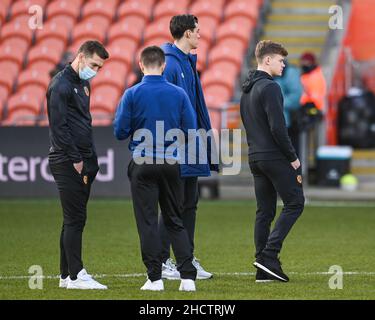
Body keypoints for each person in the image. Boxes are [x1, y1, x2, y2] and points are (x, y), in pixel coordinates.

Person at [114, 46, 198, 291]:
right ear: (163, 66)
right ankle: (188, 279)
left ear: (141, 65)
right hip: (171, 163)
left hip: (143, 163)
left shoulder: (131, 94)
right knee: (174, 219)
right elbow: (191, 130)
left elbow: (119, 131)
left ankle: (155, 279)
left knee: (148, 222)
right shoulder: (179, 94)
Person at [159, 14, 219, 280]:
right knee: (173, 205)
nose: (199, 35)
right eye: (196, 31)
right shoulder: (171, 65)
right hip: (177, 148)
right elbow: (167, 110)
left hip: (192, 145)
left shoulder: (186, 63)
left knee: (189, 204)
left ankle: (186, 259)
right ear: (185, 34)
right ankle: (162, 261)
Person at [240, 40, 305, 283]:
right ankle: (269, 255)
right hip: (274, 156)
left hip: (255, 157)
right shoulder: (270, 87)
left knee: (264, 211)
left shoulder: (246, 89)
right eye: (280, 60)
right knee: (295, 202)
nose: (283, 64)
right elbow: (278, 128)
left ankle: (262, 269)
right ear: (267, 60)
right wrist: (292, 157)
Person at [47, 40, 109, 290]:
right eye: (94, 64)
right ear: (81, 57)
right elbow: (59, 128)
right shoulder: (59, 86)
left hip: (83, 159)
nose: (96, 70)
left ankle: (66, 276)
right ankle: (76, 275)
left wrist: (90, 159)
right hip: (67, 161)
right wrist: (76, 160)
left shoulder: (83, 84)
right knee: (75, 219)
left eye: (100, 67)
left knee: (72, 220)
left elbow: (83, 122)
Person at [275, 61, 303, 156]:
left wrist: (275, 103)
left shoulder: (289, 73)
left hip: (286, 124)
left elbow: (296, 97)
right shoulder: (267, 72)